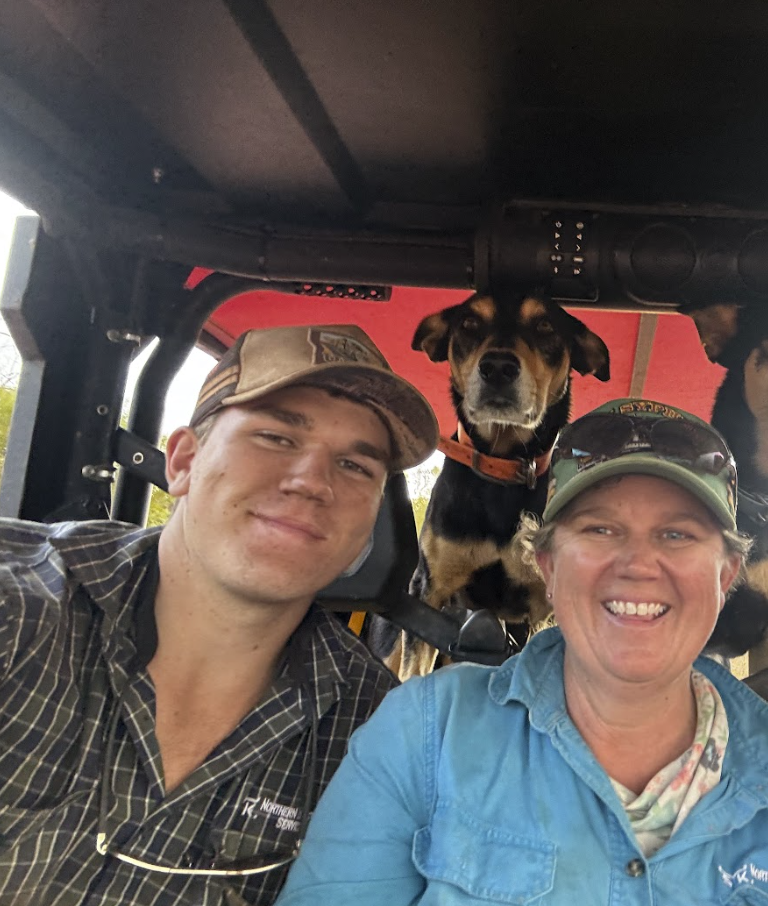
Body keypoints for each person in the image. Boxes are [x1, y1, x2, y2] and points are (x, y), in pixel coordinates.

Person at [278, 398, 768, 905]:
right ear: (548, 567)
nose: (636, 564)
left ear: (727, 571)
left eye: (677, 533)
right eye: (600, 530)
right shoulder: (424, 733)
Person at [0, 323, 440, 906]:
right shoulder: (22, 604)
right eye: (276, 437)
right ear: (182, 461)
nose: (312, 482)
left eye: (356, 467)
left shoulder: (374, 735)